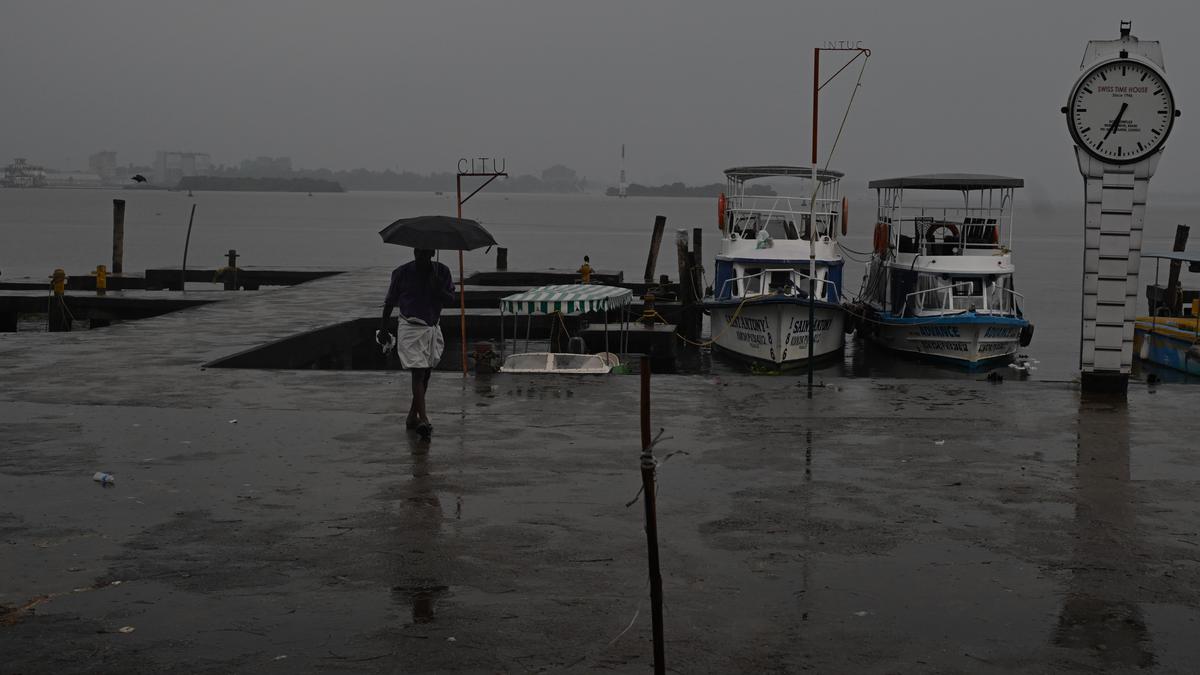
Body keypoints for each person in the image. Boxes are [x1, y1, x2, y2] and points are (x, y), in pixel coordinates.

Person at [380, 248, 456, 438]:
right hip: (409, 326)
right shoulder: (402, 272)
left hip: (431, 326)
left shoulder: (442, 272)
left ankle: (412, 415)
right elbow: (390, 301)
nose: (421, 257)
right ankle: (424, 419)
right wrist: (383, 328)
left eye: (424, 254)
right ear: (414, 252)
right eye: (418, 253)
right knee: (418, 372)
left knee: (426, 373)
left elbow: (452, 299)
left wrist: (439, 290)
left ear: (432, 253)